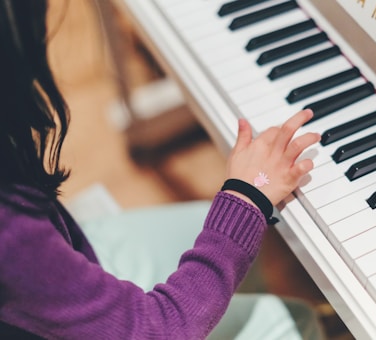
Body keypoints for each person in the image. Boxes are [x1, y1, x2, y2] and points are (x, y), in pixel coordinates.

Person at [0, 0, 325, 339]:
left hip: (61, 257)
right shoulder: (9, 227)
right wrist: (247, 195)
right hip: (80, 299)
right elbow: (160, 329)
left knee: (215, 228)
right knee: (292, 320)